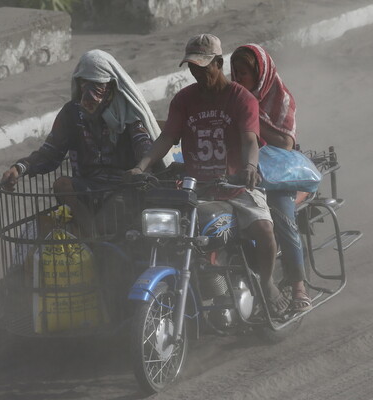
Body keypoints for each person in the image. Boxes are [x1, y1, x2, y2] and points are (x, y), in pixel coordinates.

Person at [125, 33, 288, 316]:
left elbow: (250, 139)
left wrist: (249, 168)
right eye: (192, 67)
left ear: (219, 63)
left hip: (237, 187)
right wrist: (142, 166)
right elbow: (166, 138)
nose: (197, 73)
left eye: (203, 66)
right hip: (197, 189)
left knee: (264, 229)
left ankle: (268, 282)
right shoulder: (184, 100)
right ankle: (208, 294)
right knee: (175, 238)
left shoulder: (241, 99)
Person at [1, 49, 169, 236]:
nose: (90, 94)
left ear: (111, 86)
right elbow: (50, 152)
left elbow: (143, 145)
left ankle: (95, 237)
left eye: (97, 85)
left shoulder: (127, 113)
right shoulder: (72, 114)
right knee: (62, 185)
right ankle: (92, 236)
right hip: (89, 186)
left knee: (113, 214)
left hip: (123, 186)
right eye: (84, 84)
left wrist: (140, 168)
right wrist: (20, 168)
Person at [230, 43, 312, 312]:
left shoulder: (281, 98)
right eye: (234, 72)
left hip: (276, 174)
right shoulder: (231, 97)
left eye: (243, 73)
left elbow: (286, 142)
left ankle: (299, 285)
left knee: (283, 217)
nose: (237, 78)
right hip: (241, 170)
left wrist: (251, 117)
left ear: (260, 75)